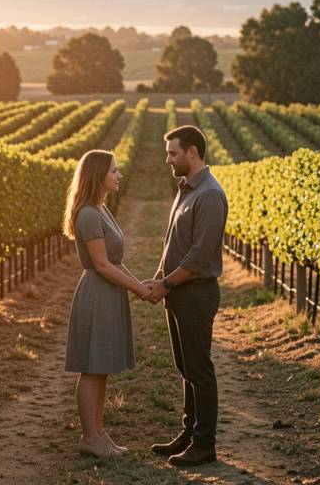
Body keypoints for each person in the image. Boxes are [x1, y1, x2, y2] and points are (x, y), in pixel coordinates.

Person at [143, 125, 227, 467]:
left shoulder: (209, 194)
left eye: (172, 153)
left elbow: (198, 256)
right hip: (178, 291)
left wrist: (166, 284)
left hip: (195, 293)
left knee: (199, 368)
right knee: (184, 367)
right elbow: (172, 244)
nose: (168, 159)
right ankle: (189, 433)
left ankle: (205, 444)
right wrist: (160, 277)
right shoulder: (186, 189)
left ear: (192, 152)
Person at [62, 149, 154, 458]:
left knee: (101, 367)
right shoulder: (88, 213)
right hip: (98, 294)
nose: (119, 175)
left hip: (109, 292)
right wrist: (139, 291)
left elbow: (116, 261)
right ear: (98, 174)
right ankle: (89, 437)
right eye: (114, 171)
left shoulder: (101, 209)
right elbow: (102, 265)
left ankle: (99, 434)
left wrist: (140, 286)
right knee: (92, 367)